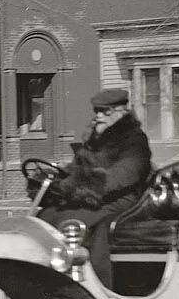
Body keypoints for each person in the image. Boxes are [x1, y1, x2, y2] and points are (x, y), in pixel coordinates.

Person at [36, 87, 153, 283]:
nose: (98, 116)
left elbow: (124, 175)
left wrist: (79, 186)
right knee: (45, 215)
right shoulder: (95, 139)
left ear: (121, 112)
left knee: (73, 222)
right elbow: (78, 167)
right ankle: (46, 275)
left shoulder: (135, 140)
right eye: (97, 111)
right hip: (93, 197)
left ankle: (98, 285)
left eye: (104, 111)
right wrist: (57, 179)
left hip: (121, 201)